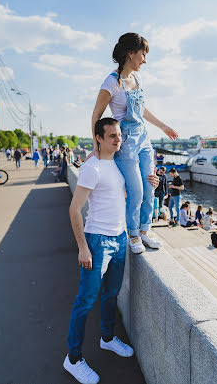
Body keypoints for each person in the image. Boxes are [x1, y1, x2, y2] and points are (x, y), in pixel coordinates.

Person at [64, 118, 159, 384]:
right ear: (99, 138)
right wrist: (83, 247)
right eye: (113, 136)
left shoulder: (117, 165)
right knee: (85, 301)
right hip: (97, 241)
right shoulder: (91, 168)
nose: (119, 140)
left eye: (120, 135)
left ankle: (107, 338)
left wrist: (149, 181)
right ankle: (73, 359)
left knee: (111, 294)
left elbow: (128, 195)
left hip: (118, 239)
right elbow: (74, 209)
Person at [90, 33, 178, 254]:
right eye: (143, 55)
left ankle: (146, 231)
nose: (144, 60)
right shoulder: (111, 82)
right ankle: (133, 234)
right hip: (126, 142)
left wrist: (163, 126)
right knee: (136, 191)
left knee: (150, 186)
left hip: (144, 139)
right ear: (131, 53)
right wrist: (96, 146)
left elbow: (142, 110)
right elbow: (96, 117)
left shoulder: (137, 80)